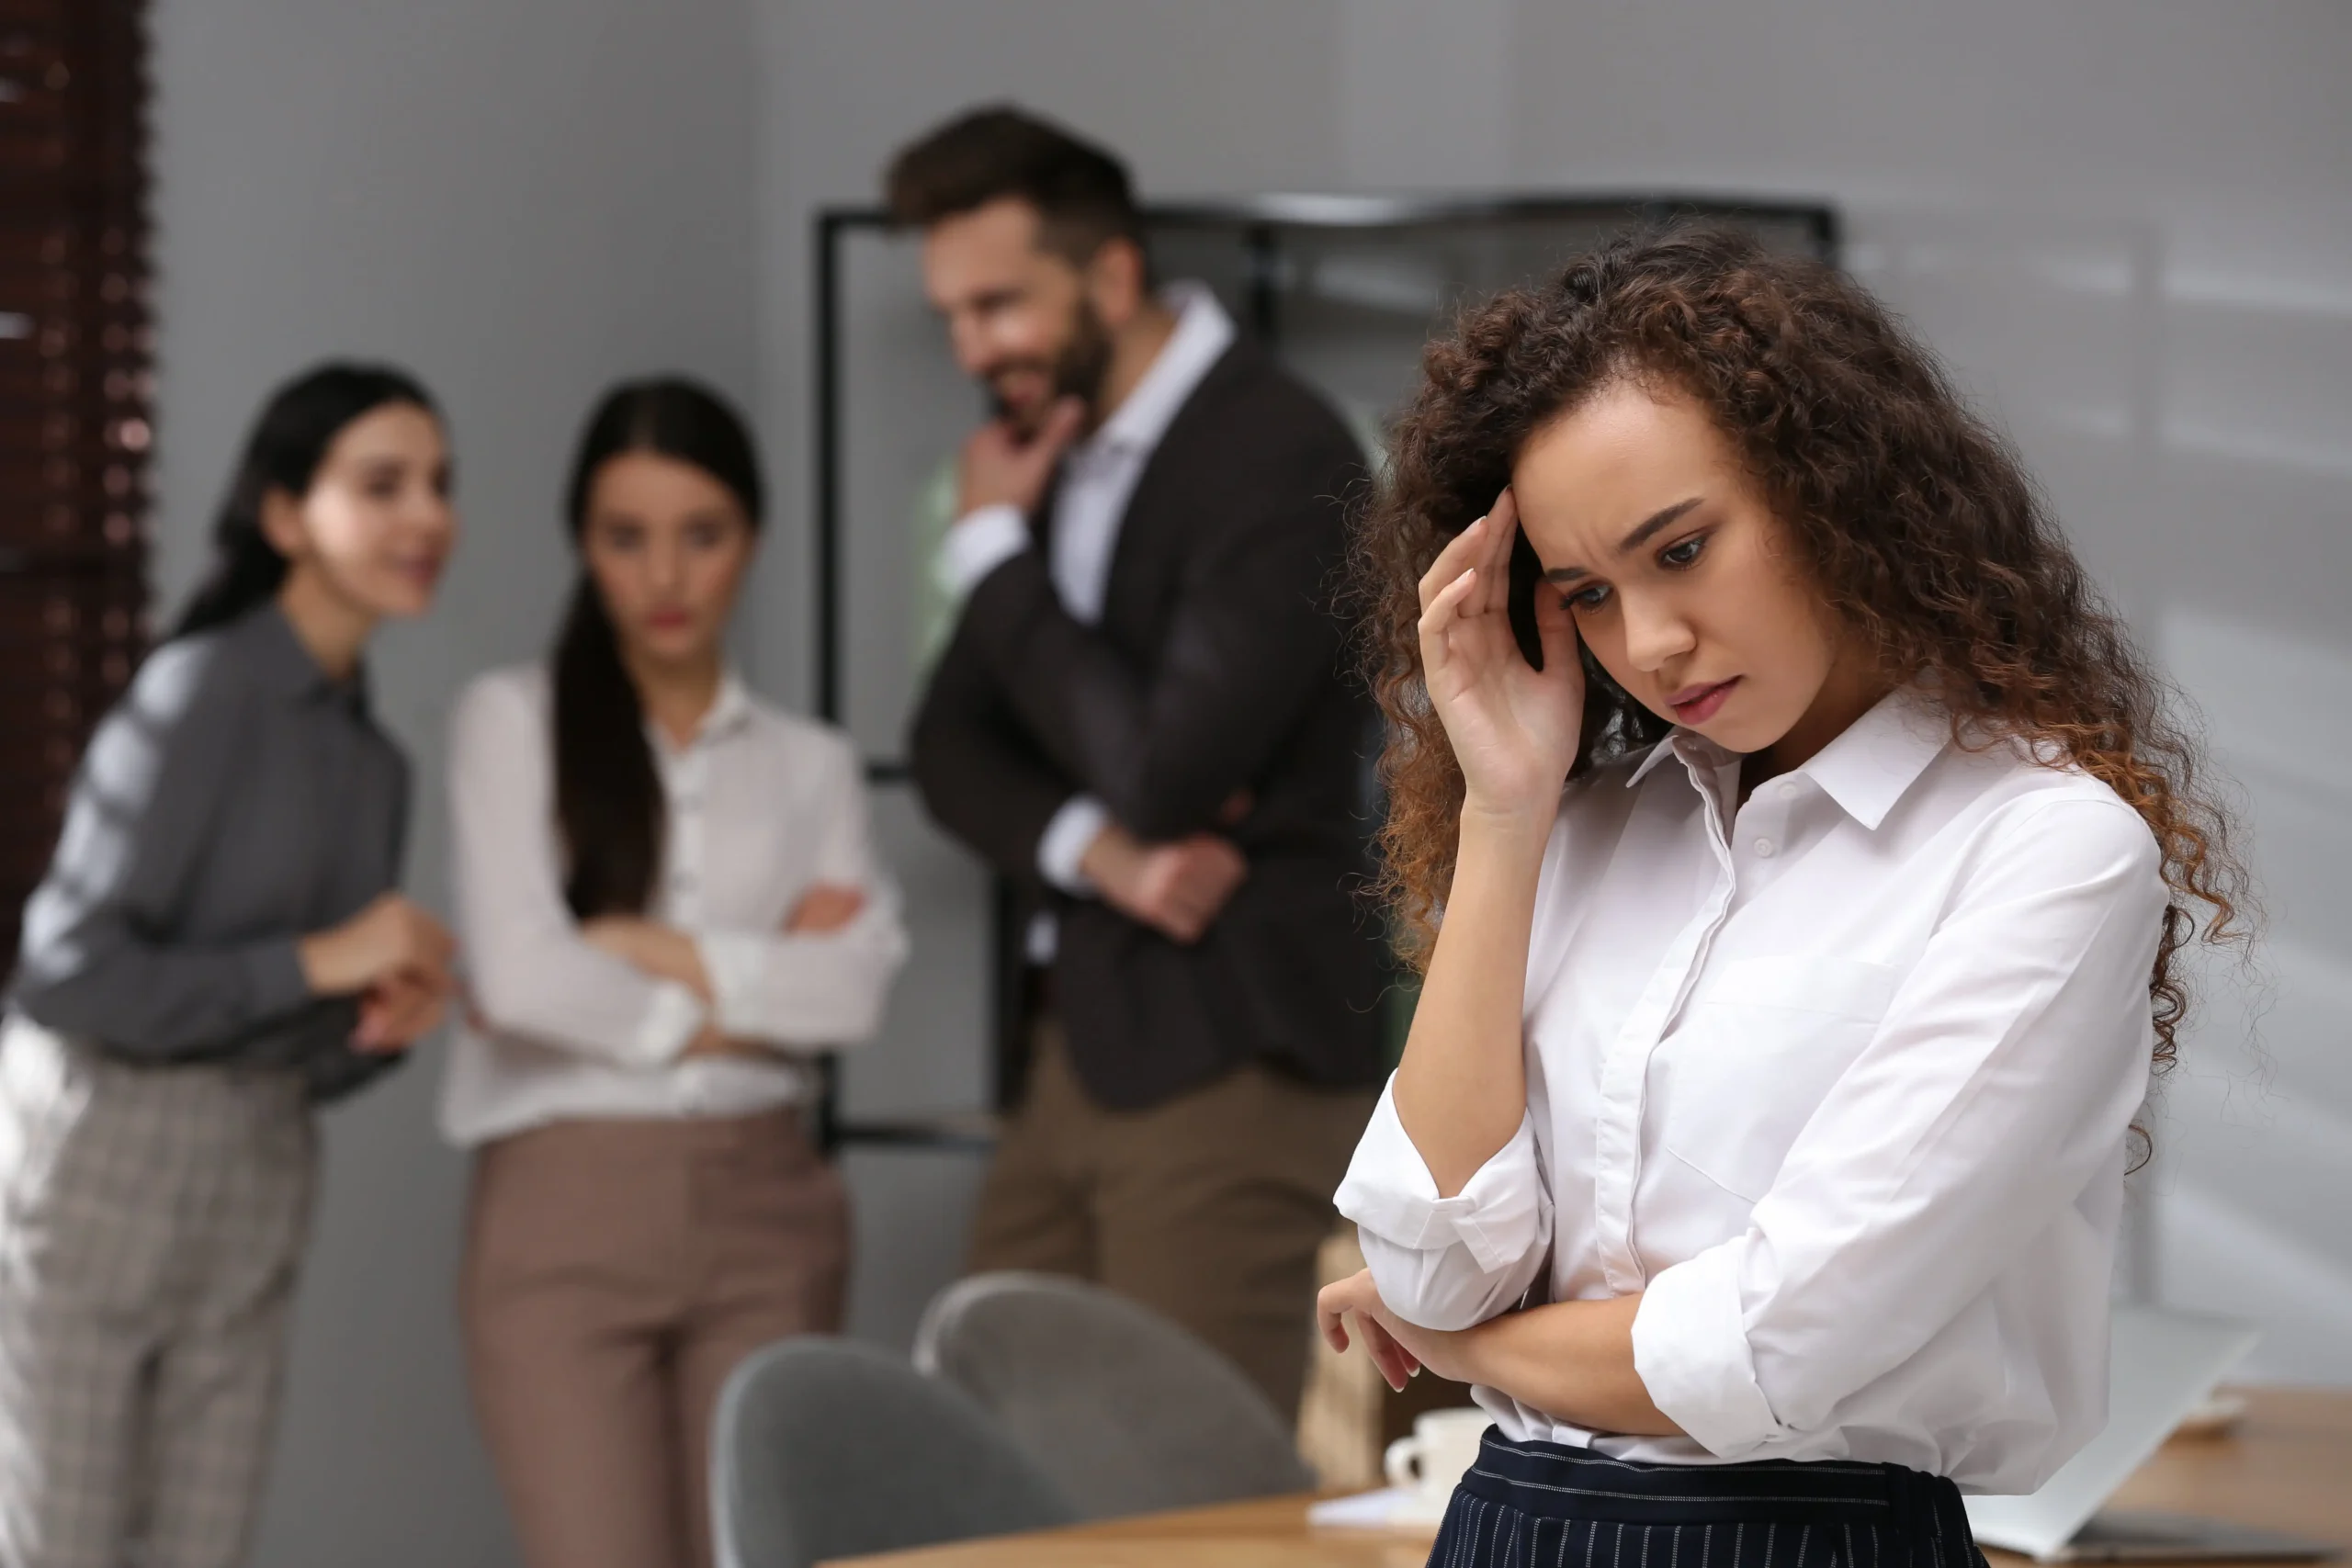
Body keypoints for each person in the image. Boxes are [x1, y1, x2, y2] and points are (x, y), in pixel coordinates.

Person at [1317, 228, 2247, 1566]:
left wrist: (1458, 1343)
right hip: (1504, 1527)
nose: (1650, 643)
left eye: (1683, 549)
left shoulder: (2045, 849)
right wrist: (1508, 815)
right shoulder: (1577, 832)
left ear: (1834, 493)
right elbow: (1426, 1259)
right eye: (1588, 593)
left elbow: (1776, 1339)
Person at [888, 105, 1390, 1420]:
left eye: (997, 303)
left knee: (1176, 1491)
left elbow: (1166, 767)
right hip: (1073, 1051)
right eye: (950, 314)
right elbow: (947, 747)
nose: (971, 347)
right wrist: (1096, 848)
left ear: (1112, 273)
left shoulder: (1282, 453)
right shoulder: (1045, 455)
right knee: (989, 1456)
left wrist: (993, 558)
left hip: (1232, 1046)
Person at [0, 364, 459, 1568]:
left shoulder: (378, 769)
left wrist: (376, 1024)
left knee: (205, 1551)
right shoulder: (198, 693)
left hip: (259, 1167)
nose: (428, 517)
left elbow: (300, 1049)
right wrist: (317, 957)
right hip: (106, 1153)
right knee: (64, 1549)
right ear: (284, 514)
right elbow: (66, 976)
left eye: (440, 485)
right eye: (383, 484)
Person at [445, 377, 906, 1568]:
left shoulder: (813, 765)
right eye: (626, 537)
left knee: (763, 1549)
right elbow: (520, 973)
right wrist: (758, 994)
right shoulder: (510, 722)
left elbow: (852, 992)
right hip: (562, 1214)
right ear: (582, 543)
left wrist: (637, 949)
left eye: (700, 536)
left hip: (769, 1207)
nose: (663, 577)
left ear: (749, 539)